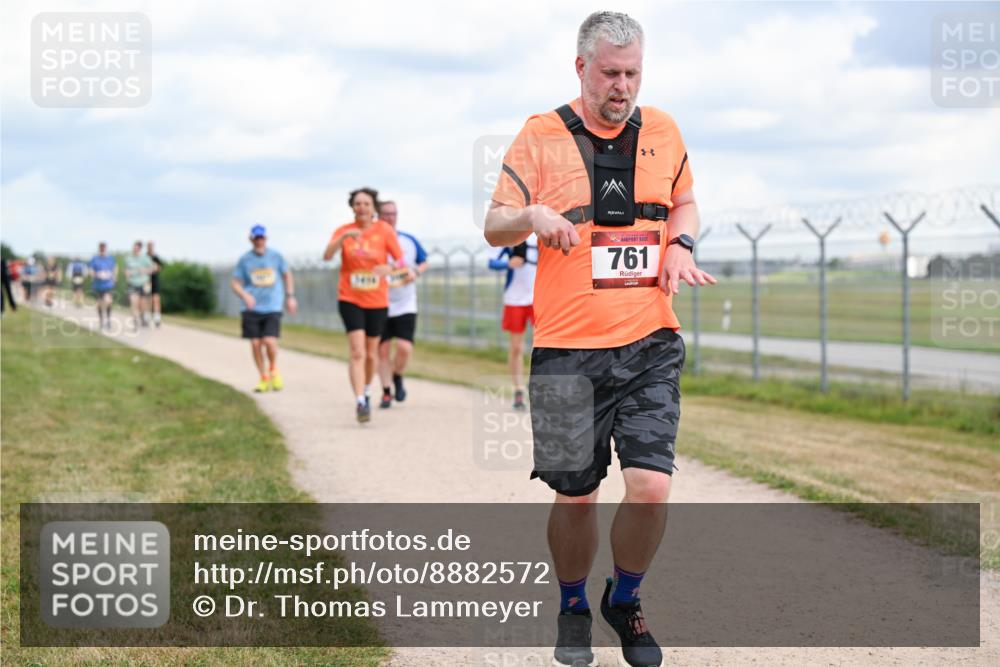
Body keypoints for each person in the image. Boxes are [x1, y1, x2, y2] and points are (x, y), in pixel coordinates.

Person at [483, 12, 716, 667]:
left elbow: (687, 202)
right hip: (565, 350)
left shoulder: (664, 130)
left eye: (633, 72)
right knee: (575, 493)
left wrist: (679, 244)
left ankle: (627, 597)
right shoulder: (540, 135)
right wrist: (531, 215)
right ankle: (574, 602)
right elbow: (493, 225)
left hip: (650, 341)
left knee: (650, 485)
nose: (623, 86)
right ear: (580, 67)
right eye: (611, 73)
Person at [324, 187, 404, 423]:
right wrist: (342, 240)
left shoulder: (384, 230)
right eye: (357, 204)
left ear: (373, 208)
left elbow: (400, 260)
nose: (362, 208)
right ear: (352, 207)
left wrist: (389, 268)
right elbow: (327, 255)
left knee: (371, 354)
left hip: (377, 300)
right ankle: (360, 401)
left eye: (366, 204)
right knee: (357, 352)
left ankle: (367, 389)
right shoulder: (343, 230)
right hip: (350, 297)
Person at [231, 225, 297, 392]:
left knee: (269, 341)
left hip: (272, 306)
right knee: (255, 344)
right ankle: (263, 376)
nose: (259, 240)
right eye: (256, 238)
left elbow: (287, 275)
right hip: (251, 307)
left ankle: (273, 368)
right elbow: (235, 283)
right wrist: (245, 295)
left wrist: (290, 296)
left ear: (266, 238)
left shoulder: (276, 256)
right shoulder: (245, 260)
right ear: (251, 239)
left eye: (262, 237)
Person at [376, 200, 428, 408]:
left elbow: (424, 261)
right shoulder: (373, 242)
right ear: (378, 216)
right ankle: (386, 391)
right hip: (379, 303)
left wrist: (415, 272)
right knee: (382, 350)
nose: (390, 218)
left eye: (393, 214)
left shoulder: (408, 240)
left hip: (406, 303)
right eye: (386, 214)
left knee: (404, 348)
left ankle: (397, 375)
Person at [488, 236, 538, 410]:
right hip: (514, 299)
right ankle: (518, 390)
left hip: (539, 298)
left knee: (544, 346)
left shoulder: (538, 231)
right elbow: (491, 262)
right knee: (516, 347)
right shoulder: (508, 234)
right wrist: (509, 263)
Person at [124, 241, 154, 328]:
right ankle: (135, 321)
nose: (135, 249)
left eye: (137, 248)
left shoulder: (145, 258)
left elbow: (152, 268)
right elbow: (126, 270)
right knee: (133, 303)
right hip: (132, 283)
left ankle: (143, 318)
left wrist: (145, 271)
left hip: (143, 283)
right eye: (134, 247)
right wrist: (127, 275)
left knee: (142, 304)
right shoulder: (128, 258)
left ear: (140, 249)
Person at [89, 242, 117, 330]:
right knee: (99, 304)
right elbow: (90, 270)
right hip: (98, 285)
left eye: (104, 248)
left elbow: (115, 267)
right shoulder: (95, 259)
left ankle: (108, 320)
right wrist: (96, 275)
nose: (102, 250)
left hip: (108, 284)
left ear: (105, 248)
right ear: (99, 249)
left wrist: (114, 277)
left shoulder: (110, 258)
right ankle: (101, 321)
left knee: (108, 301)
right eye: (101, 248)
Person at [147, 242, 164, 327]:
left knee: (156, 299)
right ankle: (146, 317)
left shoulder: (156, 257)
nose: (150, 248)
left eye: (151, 247)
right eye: (149, 246)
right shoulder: (145, 257)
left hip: (154, 281)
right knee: (147, 300)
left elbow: (159, 268)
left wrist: (154, 268)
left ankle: (157, 318)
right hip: (146, 281)